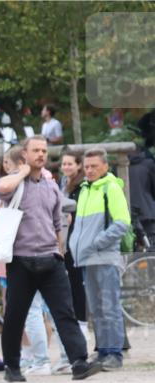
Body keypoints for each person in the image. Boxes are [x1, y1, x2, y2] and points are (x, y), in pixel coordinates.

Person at [0, 139, 103, 382]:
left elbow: (57, 223)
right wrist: (21, 171)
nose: (41, 154)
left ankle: (78, 362)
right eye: (36, 150)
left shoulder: (51, 186)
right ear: (25, 154)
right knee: (15, 315)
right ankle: (12, 367)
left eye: (44, 151)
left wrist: (59, 251)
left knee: (65, 312)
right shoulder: (14, 183)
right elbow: (0, 189)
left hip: (50, 259)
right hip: (21, 260)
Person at [68, 148, 130, 370]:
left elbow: (122, 222)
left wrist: (97, 243)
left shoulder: (110, 188)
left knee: (109, 306)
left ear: (105, 166)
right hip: (87, 259)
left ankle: (114, 353)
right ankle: (103, 351)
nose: (90, 170)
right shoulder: (85, 189)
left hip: (103, 257)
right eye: (86, 166)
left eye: (94, 166)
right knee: (96, 307)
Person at [53, 149, 89, 374]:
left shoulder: (80, 187)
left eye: (70, 164)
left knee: (77, 291)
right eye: (64, 164)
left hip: (75, 243)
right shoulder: (62, 185)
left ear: (78, 166)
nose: (66, 167)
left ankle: (81, 338)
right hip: (63, 243)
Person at [127, 145, 155, 247]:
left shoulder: (119, 166)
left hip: (128, 212)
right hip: (148, 212)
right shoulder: (148, 164)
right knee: (151, 246)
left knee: (132, 245)